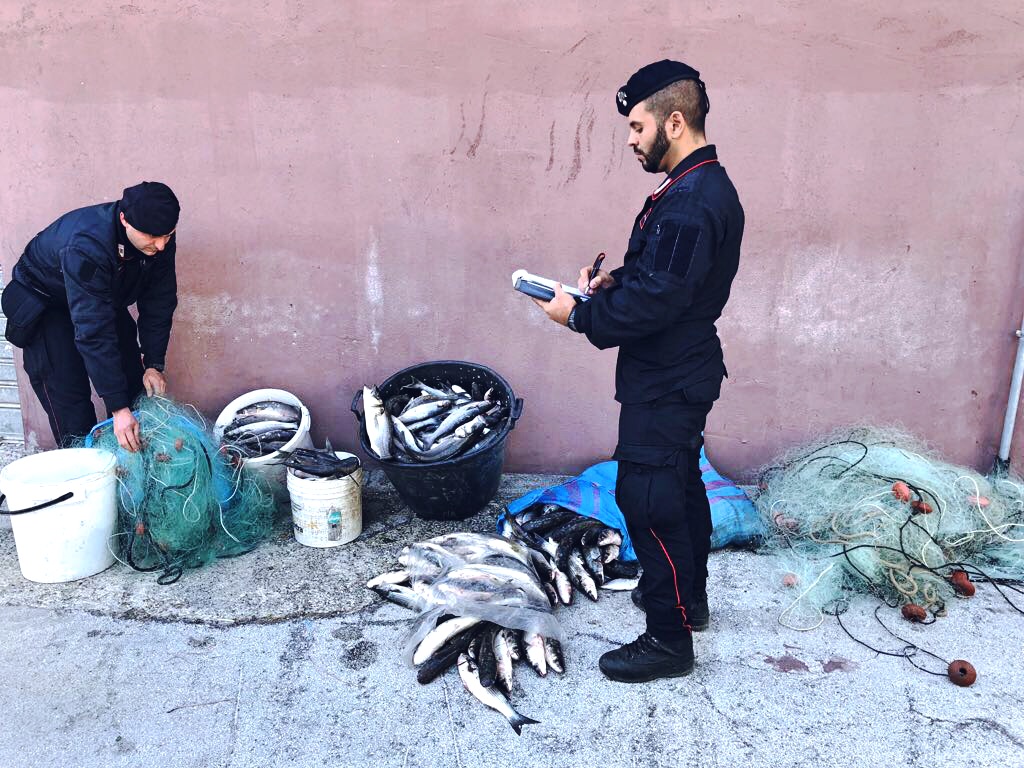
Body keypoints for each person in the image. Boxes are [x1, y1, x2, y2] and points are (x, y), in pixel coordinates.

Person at [531, 60, 744, 682]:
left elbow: (659, 302)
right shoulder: (695, 188)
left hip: (668, 377)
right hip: (678, 369)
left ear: (673, 122)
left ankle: (668, 641)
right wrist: (612, 282)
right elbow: (663, 280)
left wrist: (578, 317)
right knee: (677, 488)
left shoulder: (689, 201)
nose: (630, 139)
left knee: (648, 501)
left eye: (636, 125)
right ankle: (690, 604)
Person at [2, 182, 180, 452]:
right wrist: (117, 408)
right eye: (152, 237)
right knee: (71, 405)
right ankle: (86, 474)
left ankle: (134, 473)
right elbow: (93, 330)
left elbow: (159, 301)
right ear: (124, 219)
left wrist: (154, 363)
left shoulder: (160, 239)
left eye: (167, 235)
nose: (161, 245)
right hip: (48, 305)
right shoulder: (87, 245)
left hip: (101, 296)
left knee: (133, 382)